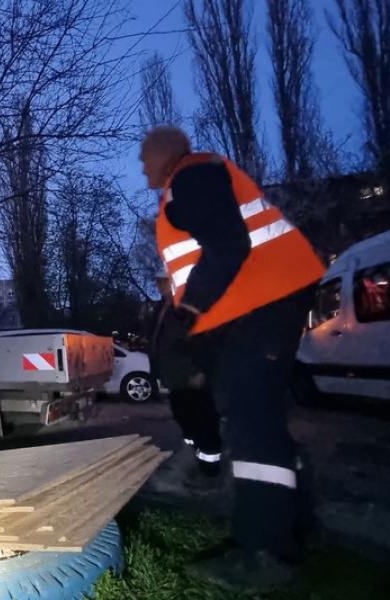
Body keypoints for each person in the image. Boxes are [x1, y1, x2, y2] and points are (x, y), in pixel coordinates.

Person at [139, 126, 325, 590]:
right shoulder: (195, 178)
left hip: (265, 305)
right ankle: (289, 528)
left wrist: (188, 310)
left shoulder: (189, 176)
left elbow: (228, 244)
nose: (142, 166)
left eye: (145, 157)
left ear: (165, 153)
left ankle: (264, 552)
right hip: (264, 305)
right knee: (257, 415)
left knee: (250, 418)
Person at [149, 261, 223, 491]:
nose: (160, 285)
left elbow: (203, 340)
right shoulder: (163, 308)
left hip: (192, 377)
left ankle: (211, 473)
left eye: (164, 280)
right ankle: (193, 457)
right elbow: (160, 343)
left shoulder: (187, 307)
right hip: (175, 378)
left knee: (204, 423)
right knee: (185, 419)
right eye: (159, 281)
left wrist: (197, 371)